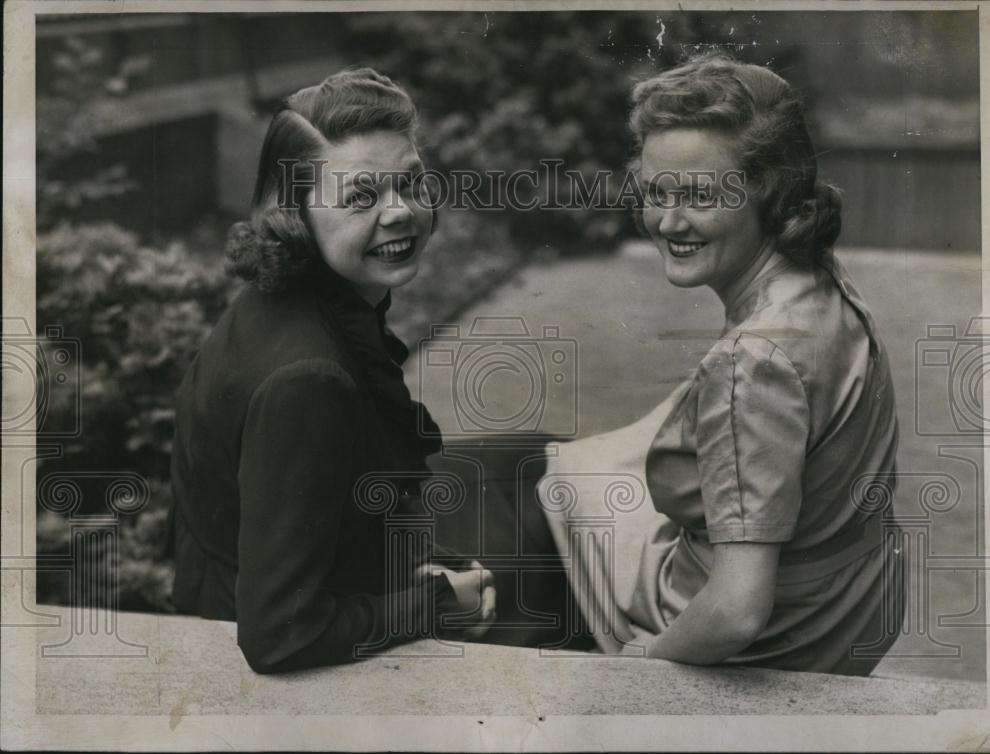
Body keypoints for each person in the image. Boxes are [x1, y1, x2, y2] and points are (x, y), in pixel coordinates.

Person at [537, 54, 905, 675]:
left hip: (778, 636)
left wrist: (649, 661)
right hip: (851, 602)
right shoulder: (817, 282)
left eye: (701, 195)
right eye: (657, 191)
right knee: (592, 456)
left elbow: (736, 611)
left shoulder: (751, 363)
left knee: (554, 481)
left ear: (771, 188)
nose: (669, 221)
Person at [168, 68, 495, 674]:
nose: (400, 213)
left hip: (268, 573)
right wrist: (435, 603)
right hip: (255, 659)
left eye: (410, 183)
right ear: (296, 214)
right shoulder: (310, 378)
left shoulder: (300, 290)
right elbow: (279, 636)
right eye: (361, 197)